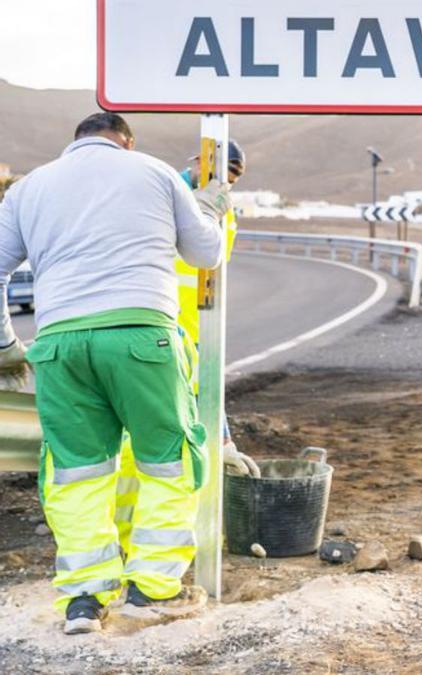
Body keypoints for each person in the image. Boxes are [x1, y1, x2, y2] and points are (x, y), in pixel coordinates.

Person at [0, 112, 229, 635]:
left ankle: (83, 600)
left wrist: (7, 345)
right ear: (126, 141)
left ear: (73, 142)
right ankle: (151, 590)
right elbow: (206, 253)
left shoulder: (28, 189)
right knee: (168, 461)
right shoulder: (152, 171)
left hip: (58, 343)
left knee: (76, 471)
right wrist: (207, 210)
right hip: (140, 334)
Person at [113, 139, 258, 557]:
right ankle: (132, 558)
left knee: (166, 457)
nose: (221, 180)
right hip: (143, 333)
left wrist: (224, 437)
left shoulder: (221, 216)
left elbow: (208, 289)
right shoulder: (152, 197)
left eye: (230, 176)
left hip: (184, 342)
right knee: (144, 460)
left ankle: (146, 558)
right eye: (215, 169)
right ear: (196, 161)